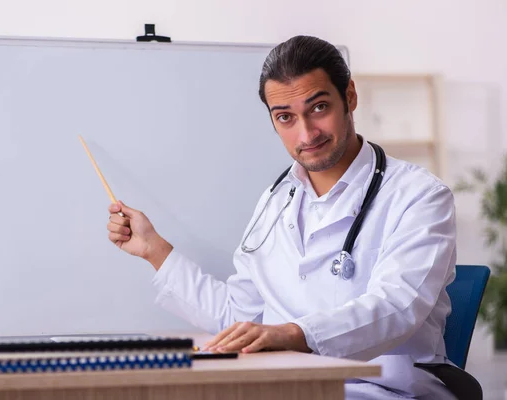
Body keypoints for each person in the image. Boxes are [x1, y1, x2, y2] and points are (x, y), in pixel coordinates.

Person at [106, 35, 457, 399]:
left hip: (383, 387)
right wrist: (155, 251)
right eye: (286, 117)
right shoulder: (276, 201)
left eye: (319, 108)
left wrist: (293, 335)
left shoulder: (418, 196)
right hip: (289, 385)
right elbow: (240, 319)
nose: (305, 133)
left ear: (349, 96)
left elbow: (397, 308)